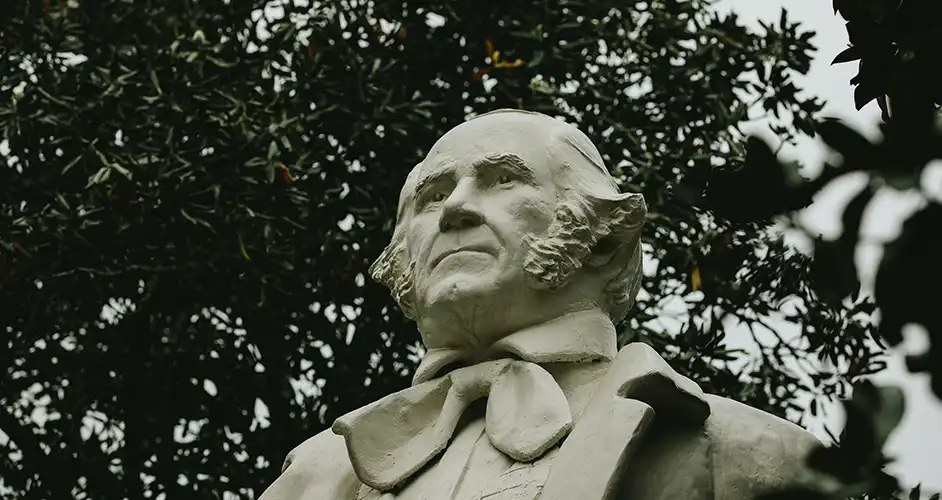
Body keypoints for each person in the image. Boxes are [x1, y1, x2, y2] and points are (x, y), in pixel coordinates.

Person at [258, 109, 821, 500]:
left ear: (602, 239)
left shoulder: (756, 457)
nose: (455, 208)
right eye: (432, 196)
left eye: (502, 180)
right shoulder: (311, 478)